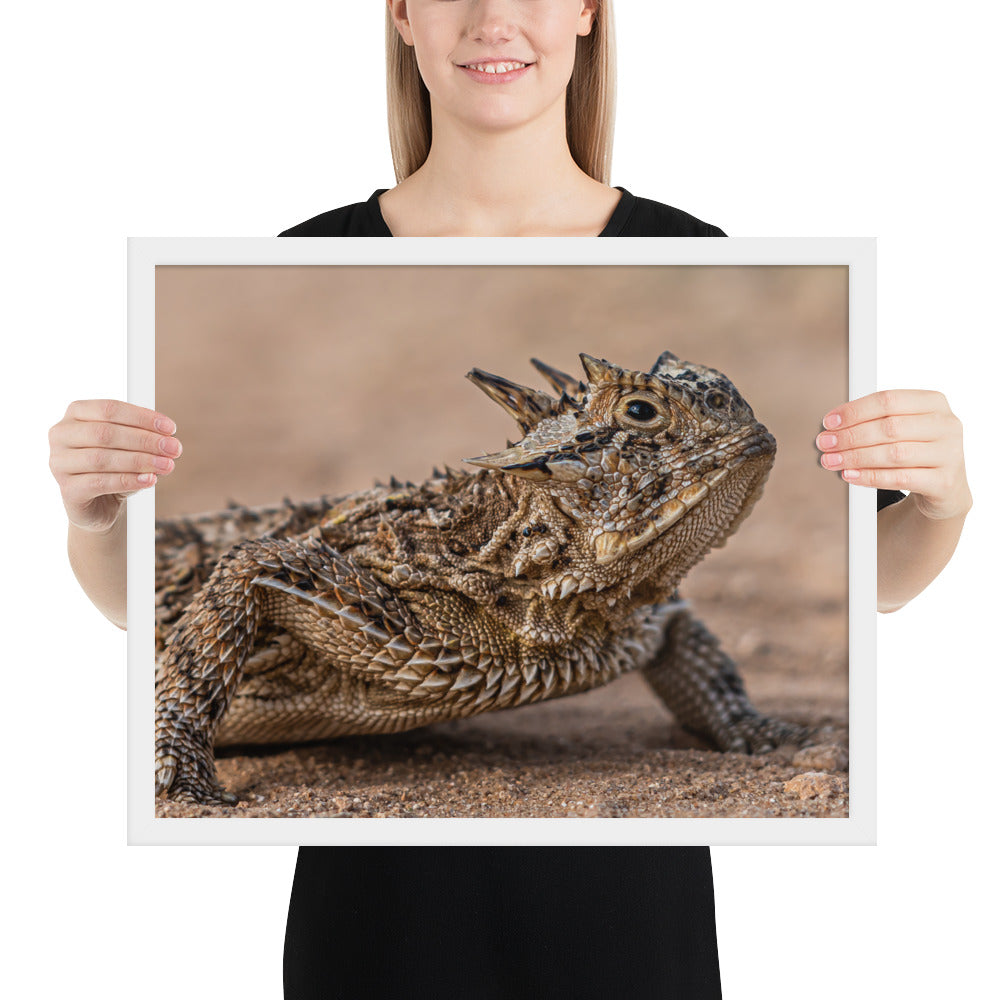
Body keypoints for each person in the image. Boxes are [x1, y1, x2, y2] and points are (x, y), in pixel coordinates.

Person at [47, 2, 971, 998]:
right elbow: (246, 571)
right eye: (650, 422)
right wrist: (95, 519)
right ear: (402, 16)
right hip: (379, 927)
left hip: (624, 932)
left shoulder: (622, 596)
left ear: (587, 14)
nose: (496, 17)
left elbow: (743, 611)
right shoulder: (316, 247)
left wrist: (943, 505)